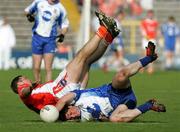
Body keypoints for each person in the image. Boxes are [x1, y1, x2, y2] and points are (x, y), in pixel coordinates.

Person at [10, 11, 120, 114]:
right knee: (80, 57)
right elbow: (23, 91)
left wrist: (32, 86)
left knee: (87, 62)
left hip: (67, 92)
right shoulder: (25, 93)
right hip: (62, 89)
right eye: (24, 78)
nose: (27, 79)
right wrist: (28, 87)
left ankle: (109, 37)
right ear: (20, 82)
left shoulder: (33, 95)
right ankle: (104, 29)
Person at [55, 41, 166, 122]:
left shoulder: (77, 97)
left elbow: (62, 101)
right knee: (114, 119)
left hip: (115, 91)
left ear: (70, 107)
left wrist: (52, 115)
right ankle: (149, 105)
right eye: (71, 118)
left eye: (70, 113)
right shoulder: (84, 119)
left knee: (120, 76)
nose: (73, 116)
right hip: (122, 104)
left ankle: (149, 58)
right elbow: (104, 118)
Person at [25, 0, 69, 82]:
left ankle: (47, 90)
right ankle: (38, 87)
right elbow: (27, 10)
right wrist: (28, 16)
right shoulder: (39, 2)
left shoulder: (61, 8)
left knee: (48, 68)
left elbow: (65, 24)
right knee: (36, 67)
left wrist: (62, 34)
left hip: (50, 40)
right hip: (37, 37)